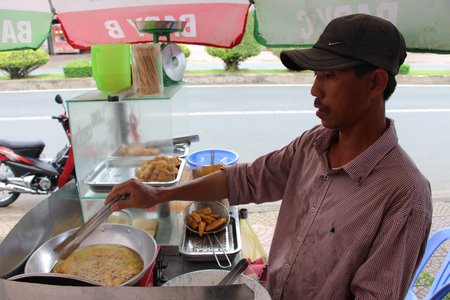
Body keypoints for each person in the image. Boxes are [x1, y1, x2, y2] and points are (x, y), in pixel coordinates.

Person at [106, 13, 432, 299]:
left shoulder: (404, 195)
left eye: (329, 76)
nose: (315, 90)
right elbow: (244, 179)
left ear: (375, 83)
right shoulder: (312, 145)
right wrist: (158, 193)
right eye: (315, 76)